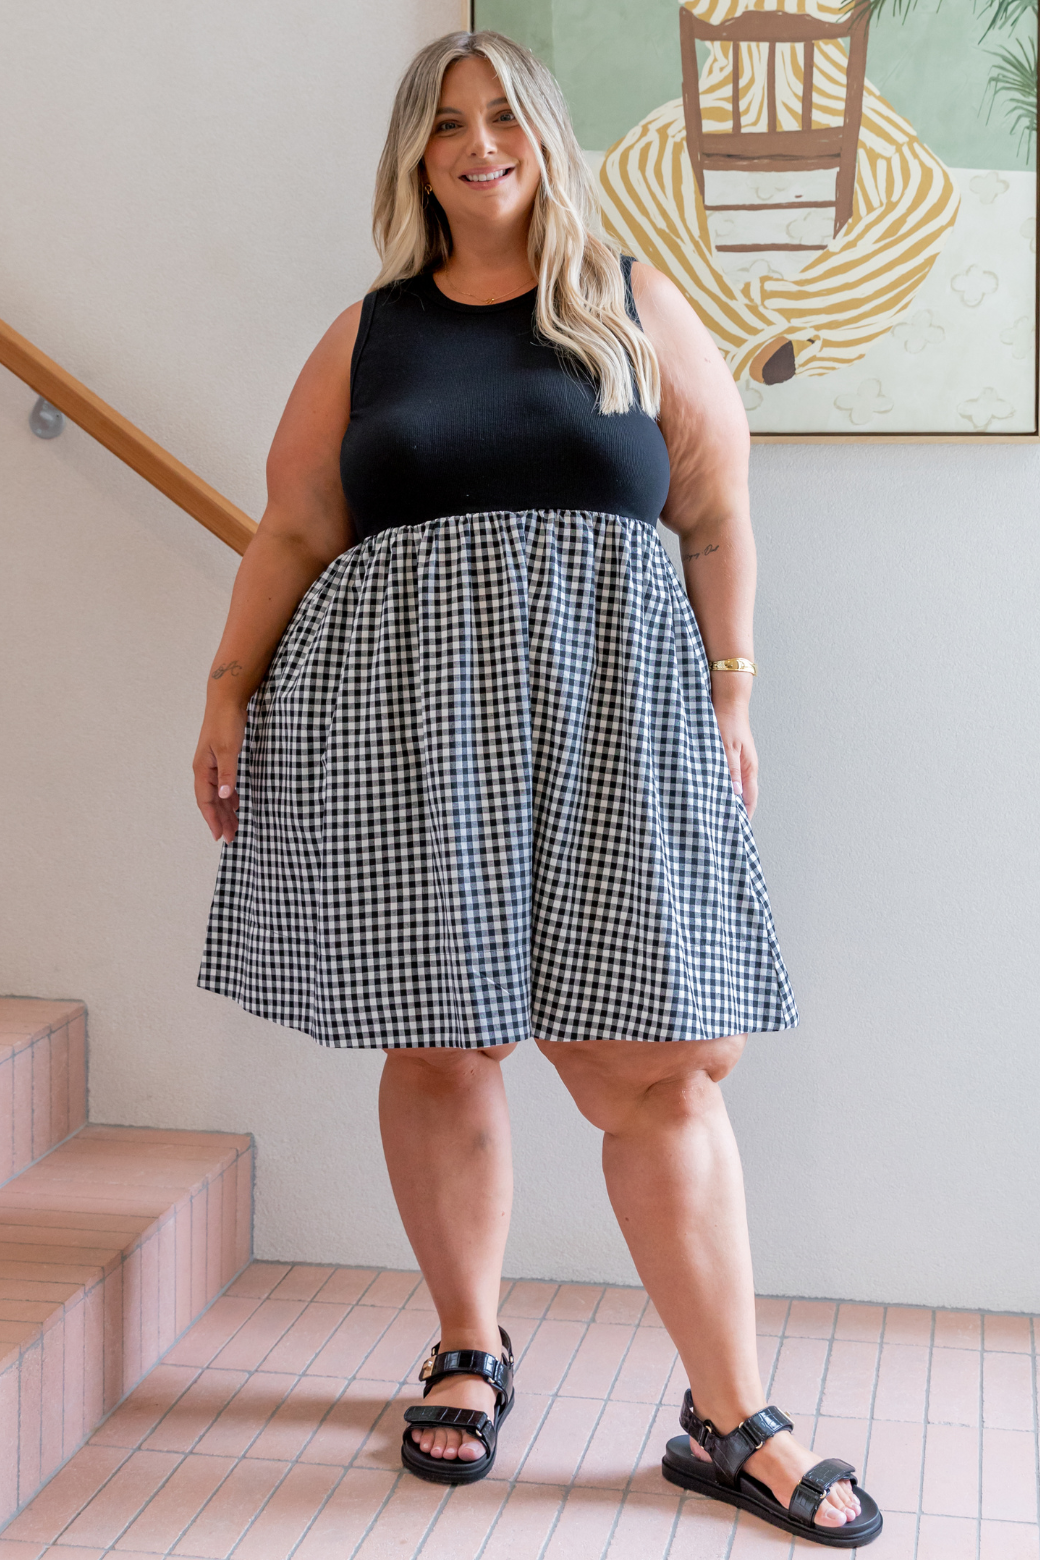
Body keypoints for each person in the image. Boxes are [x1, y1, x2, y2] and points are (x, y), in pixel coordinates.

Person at [192, 27, 881, 1546]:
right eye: (446, 122)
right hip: (411, 727)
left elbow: (715, 508)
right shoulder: (370, 333)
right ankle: (467, 1343)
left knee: (667, 1064)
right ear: (414, 155)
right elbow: (293, 526)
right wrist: (228, 686)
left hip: (618, 722)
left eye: (503, 114)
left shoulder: (632, 302)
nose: (478, 142)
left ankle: (729, 1417)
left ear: (545, 137)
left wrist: (733, 688)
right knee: (443, 1045)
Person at [599, 0, 959, 385]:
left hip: (829, 93)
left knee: (926, 190)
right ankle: (751, 329)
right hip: (732, 93)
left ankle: (769, 316)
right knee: (628, 172)